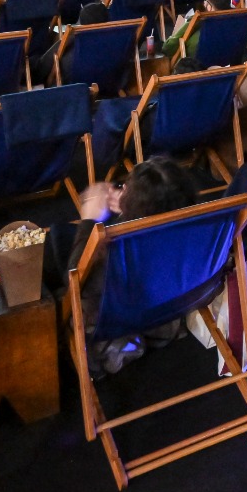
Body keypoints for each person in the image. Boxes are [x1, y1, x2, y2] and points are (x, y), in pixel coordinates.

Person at [60, 158, 199, 375]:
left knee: (58, 240)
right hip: (167, 310)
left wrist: (89, 220)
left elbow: (76, 280)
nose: (121, 188)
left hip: (120, 315)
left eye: (126, 187)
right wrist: (130, 208)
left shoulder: (115, 249)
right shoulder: (197, 229)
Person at [32, 1, 110, 85]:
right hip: (107, 82)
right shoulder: (119, 42)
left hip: (72, 86)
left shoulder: (72, 40)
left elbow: (42, 66)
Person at [162, 0, 232, 63]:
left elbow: (167, 48)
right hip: (225, 66)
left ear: (210, 7)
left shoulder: (197, 21)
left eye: (206, 1)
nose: (204, 3)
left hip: (194, 67)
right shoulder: (235, 24)